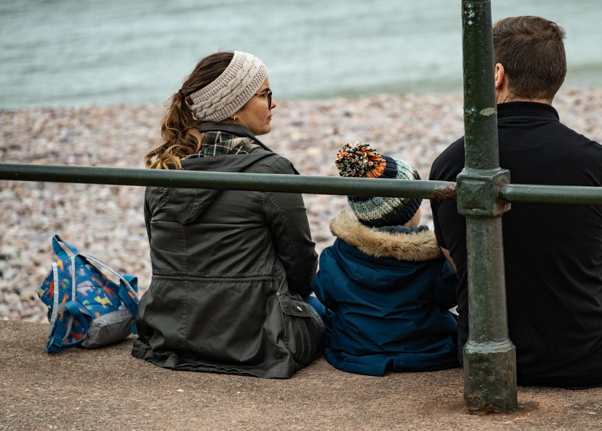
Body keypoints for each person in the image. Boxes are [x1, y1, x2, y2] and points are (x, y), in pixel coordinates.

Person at [429, 16, 602, 388]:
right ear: (557, 77)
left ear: (497, 75)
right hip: (588, 356)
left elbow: (460, 261)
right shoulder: (599, 164)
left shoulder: (450, 165)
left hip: (484, 356)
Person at [133, 51, 324, 379]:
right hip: (259, 343)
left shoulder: (164, 171)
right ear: (233, 107)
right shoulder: (270, 171)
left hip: (171, 336)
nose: (274, 104)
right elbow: (301, 269)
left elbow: (162, 255)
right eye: (265, 94)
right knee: (331, 310)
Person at [311, 142, 459, 376]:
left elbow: (325, 294)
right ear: (410, 211)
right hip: (426, 350)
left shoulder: (336, 255)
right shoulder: (432, 260)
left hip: (355, 351)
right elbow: (452, 293)